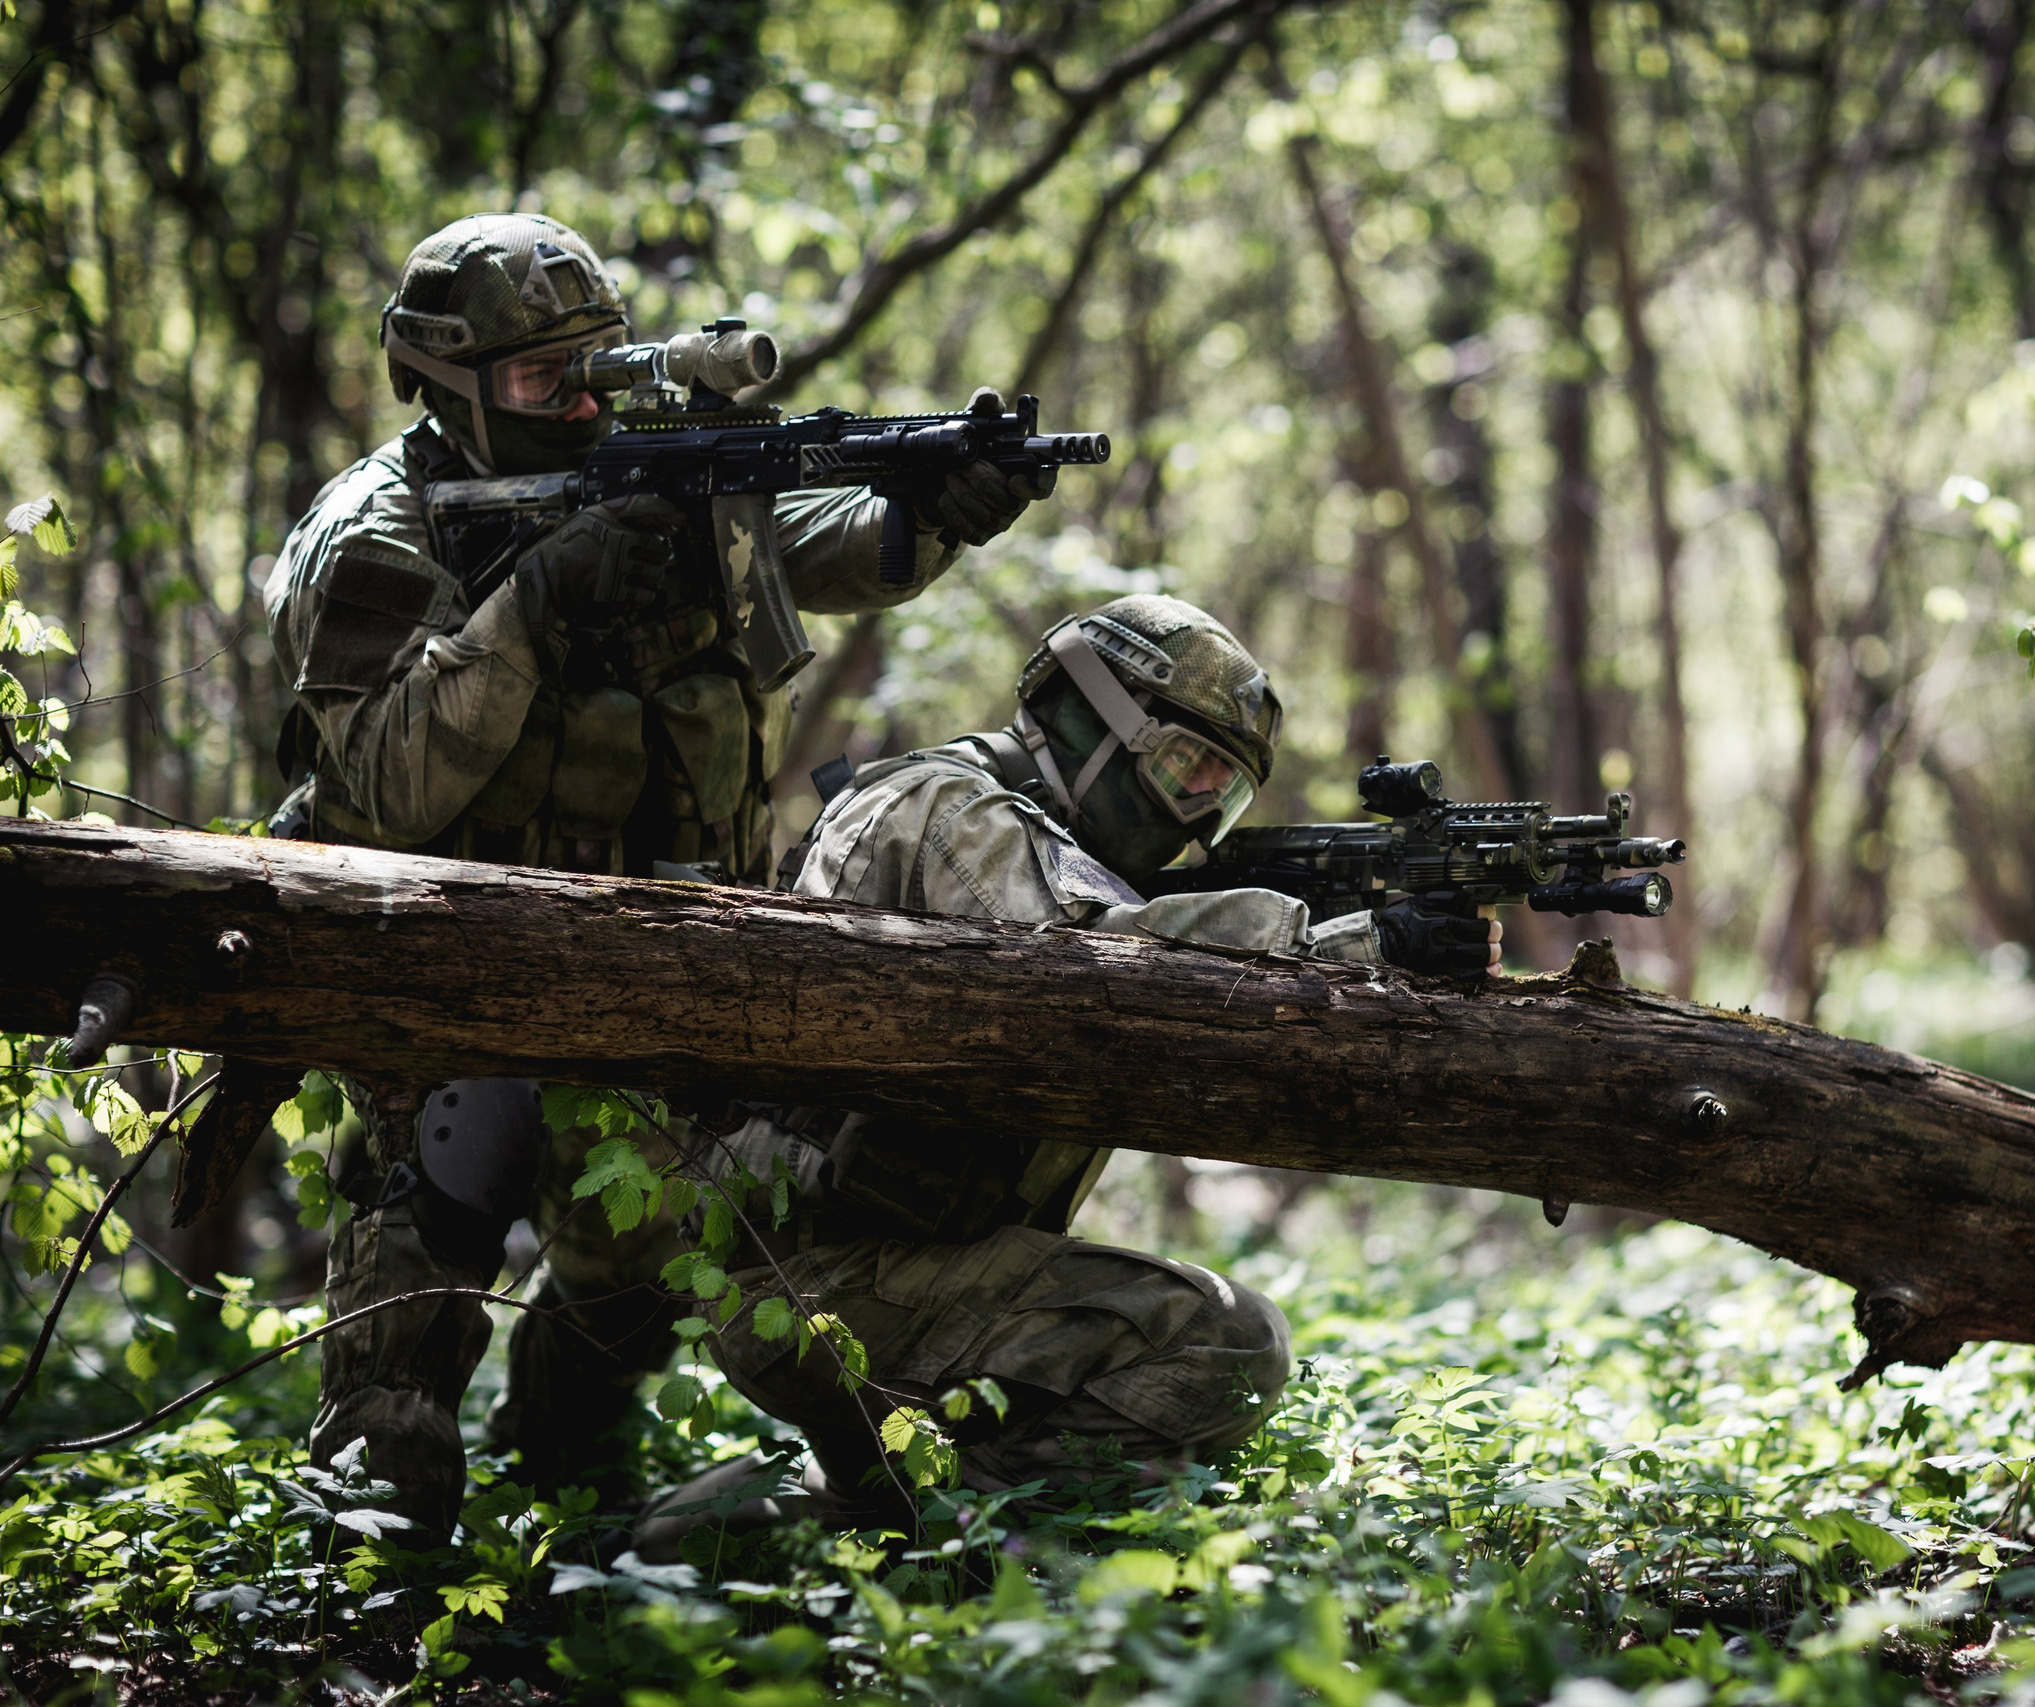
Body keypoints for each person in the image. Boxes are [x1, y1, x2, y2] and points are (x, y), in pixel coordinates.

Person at [264, 212, 1046, 1537]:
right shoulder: (376, 537)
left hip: (661, 960)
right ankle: (367, 1581)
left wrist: (931, 510)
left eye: (600, 364)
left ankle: (567, 1499)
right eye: (541, 378)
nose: (583, 402)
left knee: (634, 1273)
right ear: (445, 383)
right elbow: (392, 783)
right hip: (447, 966)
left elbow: (824, 539)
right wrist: (536, 601)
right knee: (410, 1315)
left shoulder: (665, 471)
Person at [631, 595, 1499, 1552]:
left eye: (1223, 795)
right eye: (1185, 767)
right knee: (1228, 1340)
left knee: (871, 1483)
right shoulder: (953, 812)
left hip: (844, 1269)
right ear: (1092, 719)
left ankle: (692, 1542)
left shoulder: (1004, 828)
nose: (1197, 814)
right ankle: (970, 1559)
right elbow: (1098, 969)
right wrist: (1348, 943)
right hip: (828, 1278)